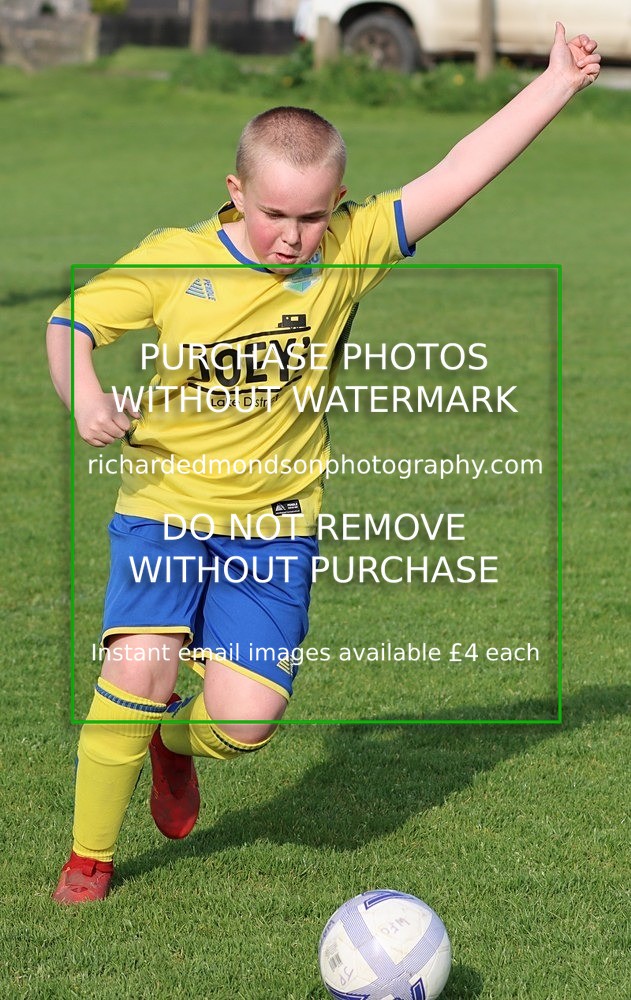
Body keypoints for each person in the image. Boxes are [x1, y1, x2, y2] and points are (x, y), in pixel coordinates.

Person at [46, 23, 600, 903]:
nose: (294, 237)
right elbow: (69, 323)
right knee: (136, 671)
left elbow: (457, 171)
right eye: (274, 214)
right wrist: (84, 396)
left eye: (312, 215)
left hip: (276, 526)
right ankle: (90, 861)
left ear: (337, 202)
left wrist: (557, 85)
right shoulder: (173, 259)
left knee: (246, 724)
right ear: (235, 192)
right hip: (164, 509)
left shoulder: (349, 247)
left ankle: (174, 744)